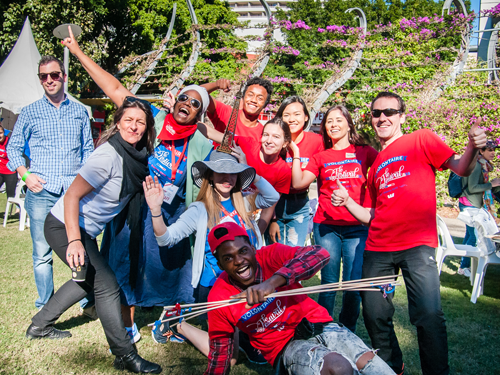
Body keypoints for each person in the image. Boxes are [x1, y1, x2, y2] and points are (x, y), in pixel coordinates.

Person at [62, 26, 213, 343]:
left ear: (201, 114)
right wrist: (76, 51)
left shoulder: (201, 141)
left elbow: (223, 161)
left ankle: (169, 324)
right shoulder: (152, 118)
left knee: (176, 268)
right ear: (174, 101)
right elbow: (115, 87)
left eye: (196, 102)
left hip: (170, 211)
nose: (187, 102)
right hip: (134, 206)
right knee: (126, 261)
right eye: (183, 96)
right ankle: (128, 325)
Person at [332, 91, 487, 375]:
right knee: (374, 314)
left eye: (389, 111)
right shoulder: (375, 165)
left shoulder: (422, 139)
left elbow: (461, 168)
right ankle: (393, 367)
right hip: (378, 248)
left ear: (402, 116)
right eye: (376, 113)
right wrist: (348, 201)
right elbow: (373, 214)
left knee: (428, 315)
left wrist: (472, 147)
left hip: (417, 245)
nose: (382, 117)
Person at [25, 98, 162, 374]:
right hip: (65, 226)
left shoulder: (138, 158)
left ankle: (39, 325)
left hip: (83, 229)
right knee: (107, 284)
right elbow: (72, 196)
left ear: (147, 128)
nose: (133, 127)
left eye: (140, 122)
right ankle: (124, 354)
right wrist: (75, 241)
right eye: (128, 120)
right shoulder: (108, 156)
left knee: (87, 281)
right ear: (118, 122)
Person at [202, 221, 395, 375]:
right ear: (219, 264)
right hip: (285, 347)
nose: (239, 261)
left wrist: (272, 282)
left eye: (243, 251)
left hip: (319, 324)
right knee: (339, 368)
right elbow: (220, 352)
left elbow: (319, 254)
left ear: (253, 248)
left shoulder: (270, 256)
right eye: (228, 258)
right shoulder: (220, 297)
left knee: (373, 367)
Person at [143, 150, 278, 359]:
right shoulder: (200, 209)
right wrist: (155, 209)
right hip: (216, 287)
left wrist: (248, 168)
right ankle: (179, 324)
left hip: (246, 282)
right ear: (210, 177)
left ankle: (242, 336)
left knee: (259, 337)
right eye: (220, 172)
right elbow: (165, 238)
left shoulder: (244, 201)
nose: (227, 178)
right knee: (229, 358)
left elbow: (272, 196)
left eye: (233, 173)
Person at [7, 55, 93, 310]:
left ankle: (87, 299)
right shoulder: (30, 112)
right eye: (43, 76)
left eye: (54, 75)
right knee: (42, 253)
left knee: (82, 245)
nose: (49, 80)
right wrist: (25, 175)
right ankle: (46, 304)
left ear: (64, 77)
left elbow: (87, 150)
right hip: (41, 192)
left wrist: (86, 182)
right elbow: (13, 148)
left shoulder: (80, 111)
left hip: (72, 192)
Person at [290, 105, 378, 332]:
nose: (334, 125)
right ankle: (324, 326)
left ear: (349, 124)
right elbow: (299, 183)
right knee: (328, 283)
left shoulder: (365, 152)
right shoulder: (321, 157)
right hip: (326, 227)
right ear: (324, 128)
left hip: (357, 228)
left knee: (352, 283)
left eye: (339, 120)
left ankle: (347, 328)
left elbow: (383, 172)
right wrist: (297, 155)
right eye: (329, 121)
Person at [267, 96, 324, 246]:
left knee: (294, 257)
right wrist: (272, 218)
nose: (292, 119)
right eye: (286, 115)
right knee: (273, 255)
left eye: (297, 114)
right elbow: (268, 181)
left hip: (299, 206)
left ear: (306, 117)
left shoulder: (316, 141)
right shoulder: (273, 141)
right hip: (273, 205)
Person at [457, 139, 500, 277]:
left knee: (470, 234)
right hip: (470, 204)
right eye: (490, 150)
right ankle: (465, 267)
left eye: (494, 150)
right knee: (474, 236)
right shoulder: (476, 165)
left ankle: (463, 266)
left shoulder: (483, 165)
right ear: (481, 151)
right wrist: (491, 185)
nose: (493, 153)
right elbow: (473, 187)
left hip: (472, 203)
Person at [201, 77, 273, 142]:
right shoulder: (226, 113)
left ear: (265, 104)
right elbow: (197, 92)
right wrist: (216, 85)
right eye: (250, 95)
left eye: (260, 98)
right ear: (243, 98)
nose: (253, 100)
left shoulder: (263, 134)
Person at [0, 125, 18, 199]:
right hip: (0, 171)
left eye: (0, 133)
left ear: (4, 133)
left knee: (10, 196)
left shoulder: (10, 143)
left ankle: (11, 210)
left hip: (10, 172)